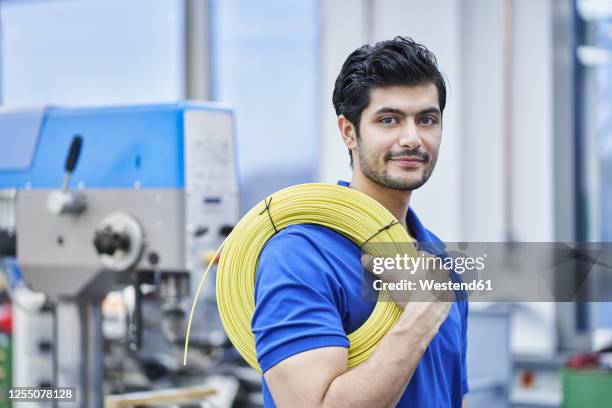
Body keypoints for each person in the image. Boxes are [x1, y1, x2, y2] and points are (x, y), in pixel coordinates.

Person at [251, 36, 468, 407]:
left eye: (427, 120)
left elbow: (451, 396)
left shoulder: (442, 262)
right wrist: (421, 314)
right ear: (349, 131)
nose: (412, 138)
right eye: (389, 120)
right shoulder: (300, 256)